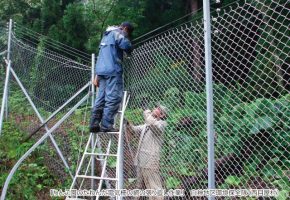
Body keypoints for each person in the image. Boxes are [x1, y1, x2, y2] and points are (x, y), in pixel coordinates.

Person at [90, 22, 134, 133]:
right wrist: (130, 48)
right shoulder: (118, 33)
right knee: (113, 98)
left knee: (100, 98)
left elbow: (102, 55)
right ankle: (106, 126)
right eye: (127, 33)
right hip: (113, 70)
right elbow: (126, 45)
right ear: (125, 28)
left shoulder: (106, 36)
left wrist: (96, 75)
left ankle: (94, 124)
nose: (126, 35)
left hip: (101, 71)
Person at [127, 105, 168, 200]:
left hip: (150, 161)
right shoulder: (147, 125)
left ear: (161, 115)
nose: (154, 108)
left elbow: (151, 123)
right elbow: (135, 129)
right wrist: (127, 123)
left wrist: (146, 112)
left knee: (154, 186)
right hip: (141, 160)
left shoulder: (161, 124)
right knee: (139, 185)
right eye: (156, 107)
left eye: (158, 109)